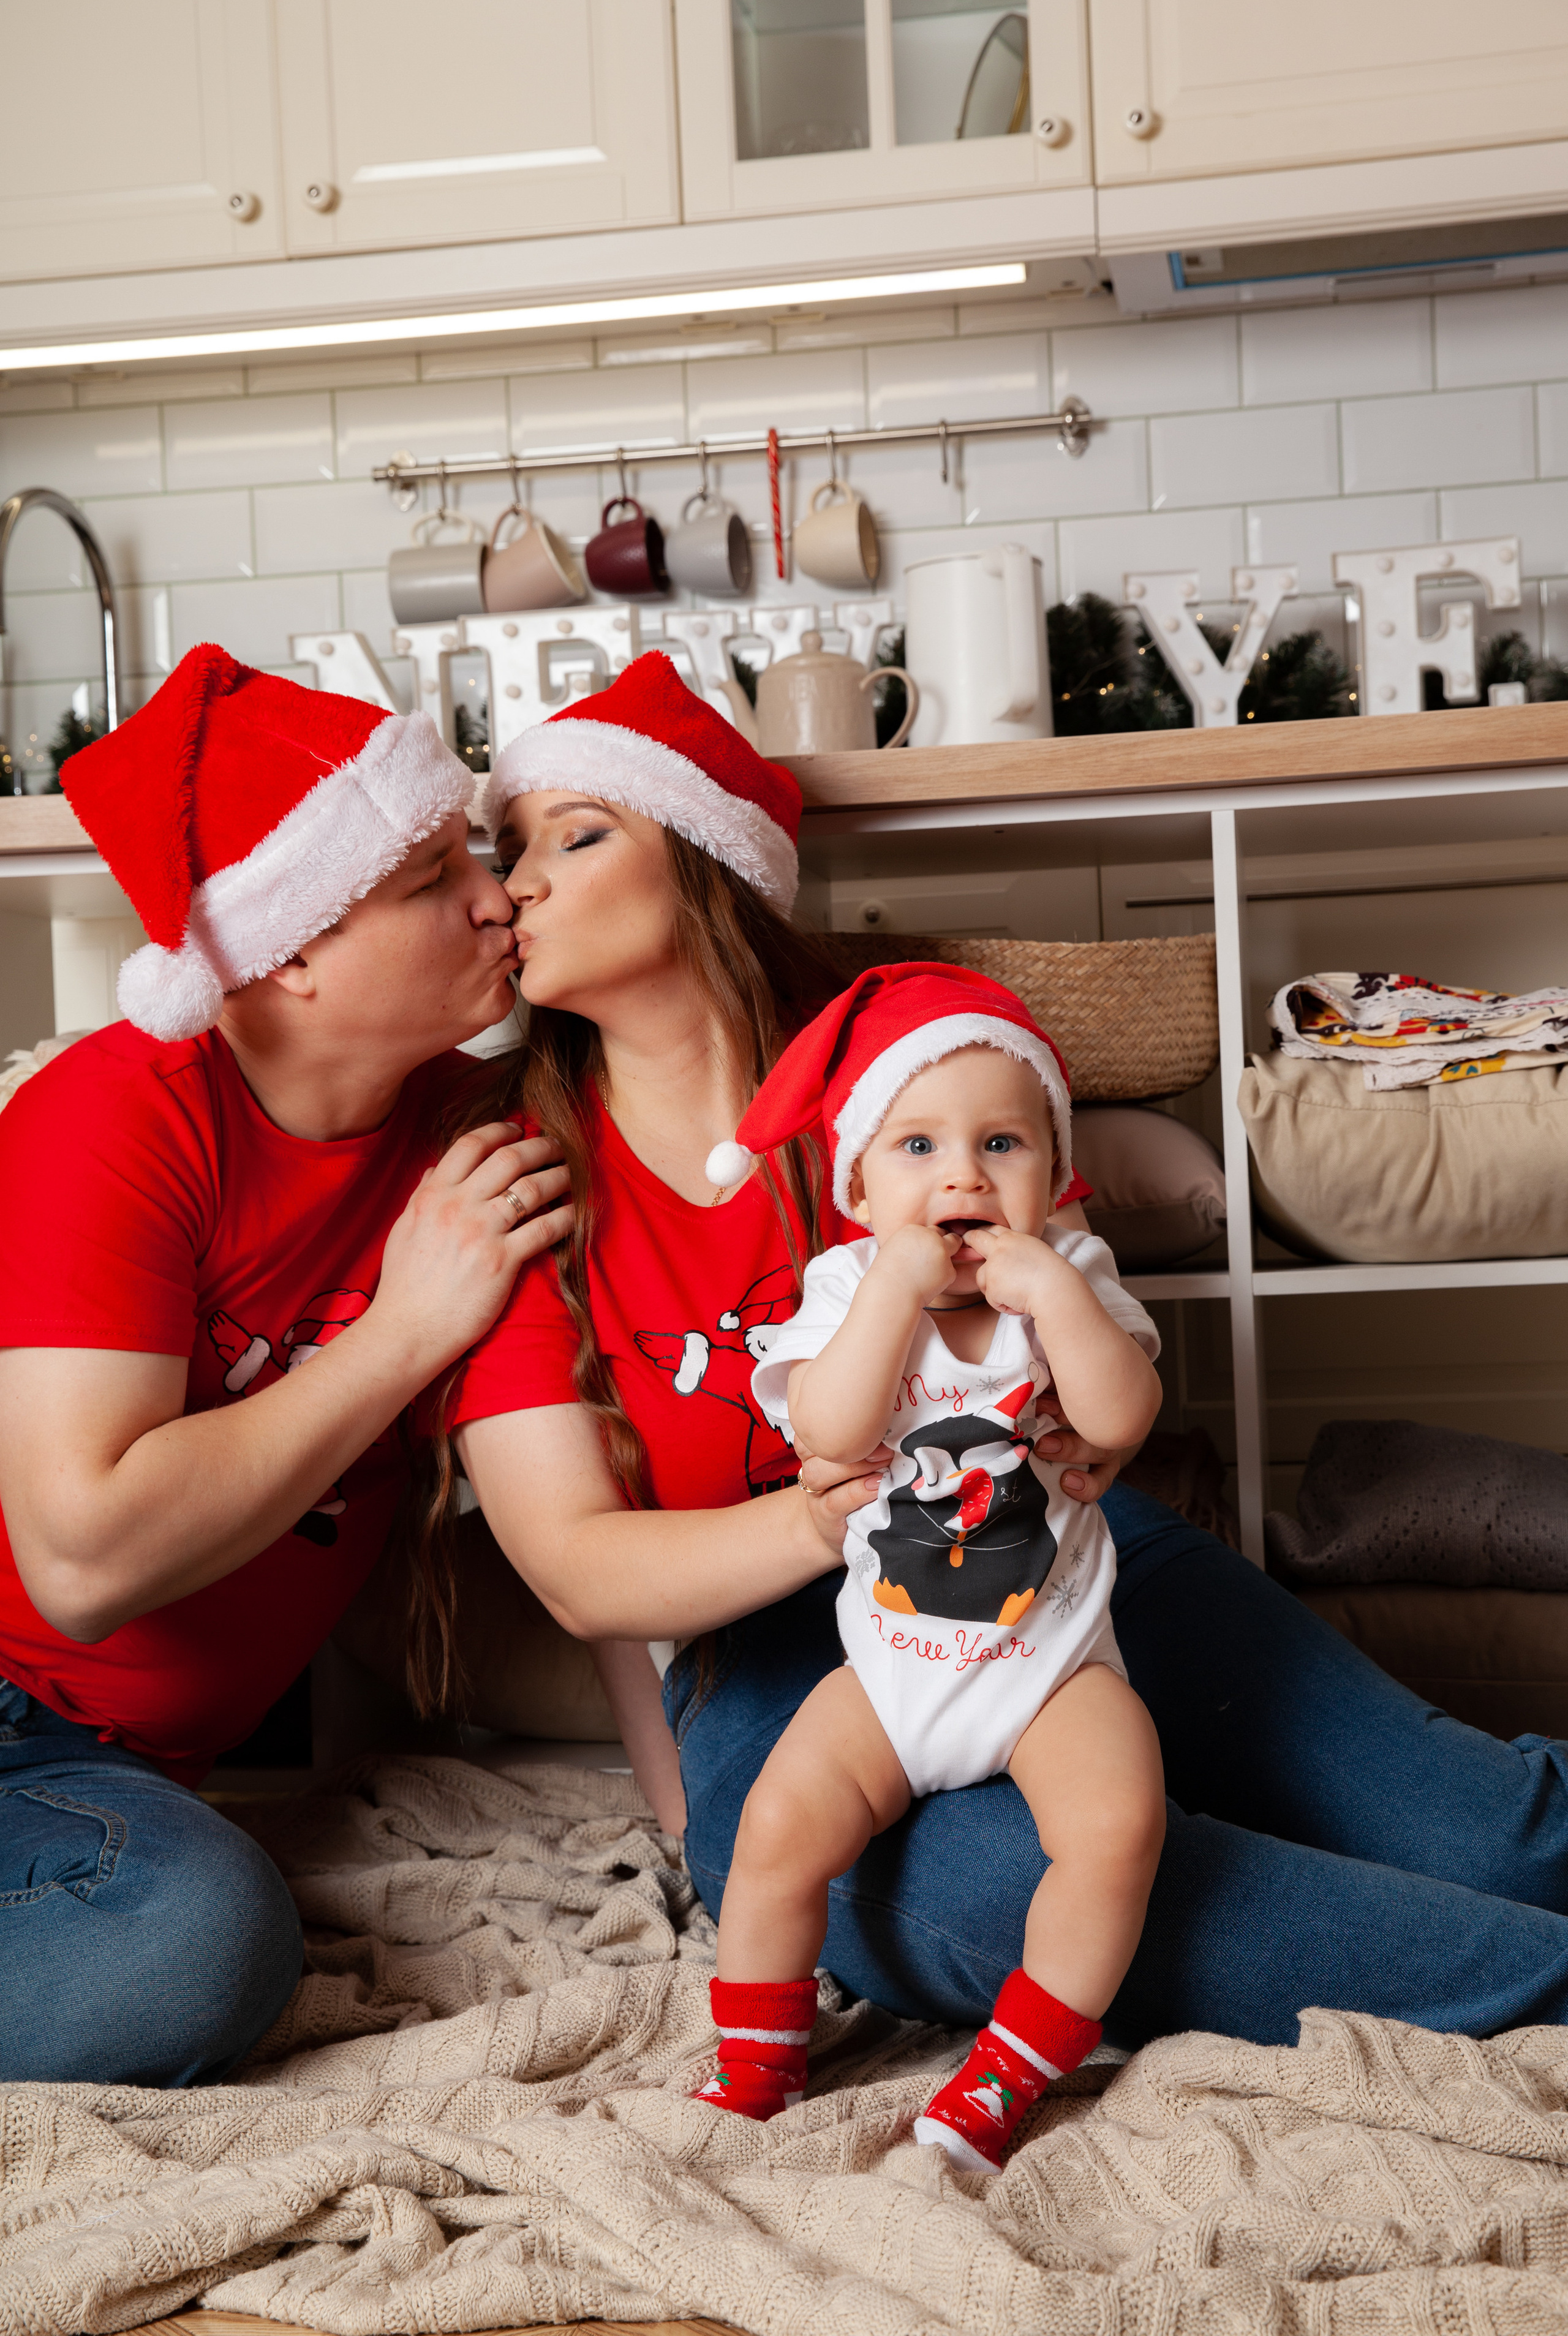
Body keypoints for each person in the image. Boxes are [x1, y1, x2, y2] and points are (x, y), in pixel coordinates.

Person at [451, 646, 1568, 2063]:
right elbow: (575, 1567)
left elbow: (1084, 1348)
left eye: (576, 832)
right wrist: (816, 1528)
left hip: (1067, 1570)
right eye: (505, 850)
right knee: (1038, 1892)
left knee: (1488, 1827)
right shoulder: (516, 1182)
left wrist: (1080, 1421)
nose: (517, 884)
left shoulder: (929, 1078)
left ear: (704, 859)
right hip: (781, 1660)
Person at [0, 644, 571, 2085]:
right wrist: (398, 1339)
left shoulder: (465, 1131)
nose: (495, 896)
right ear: (288, 948)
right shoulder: (115, 1117)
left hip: (95, 1777)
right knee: (192, 1947)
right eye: (431, 874)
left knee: (190, 1935)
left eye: (479, 856)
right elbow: (81, 1556)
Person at [690, 963, 1166, 2171]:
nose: (959, 1173)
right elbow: (829, 1434)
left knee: (1117, 1826)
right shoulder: (845, 1288)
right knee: (776, 1831)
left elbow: (1116, 1418)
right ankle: (753, 2064)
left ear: (1051, 1177)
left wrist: (1054, 1292)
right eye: (916, 1145)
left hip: (1050, 1663)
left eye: (999, 1142)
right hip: (894, 1667)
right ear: (856, 1184)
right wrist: (893, 1295)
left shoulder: (1069, 1274)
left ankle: (1010, 2074)